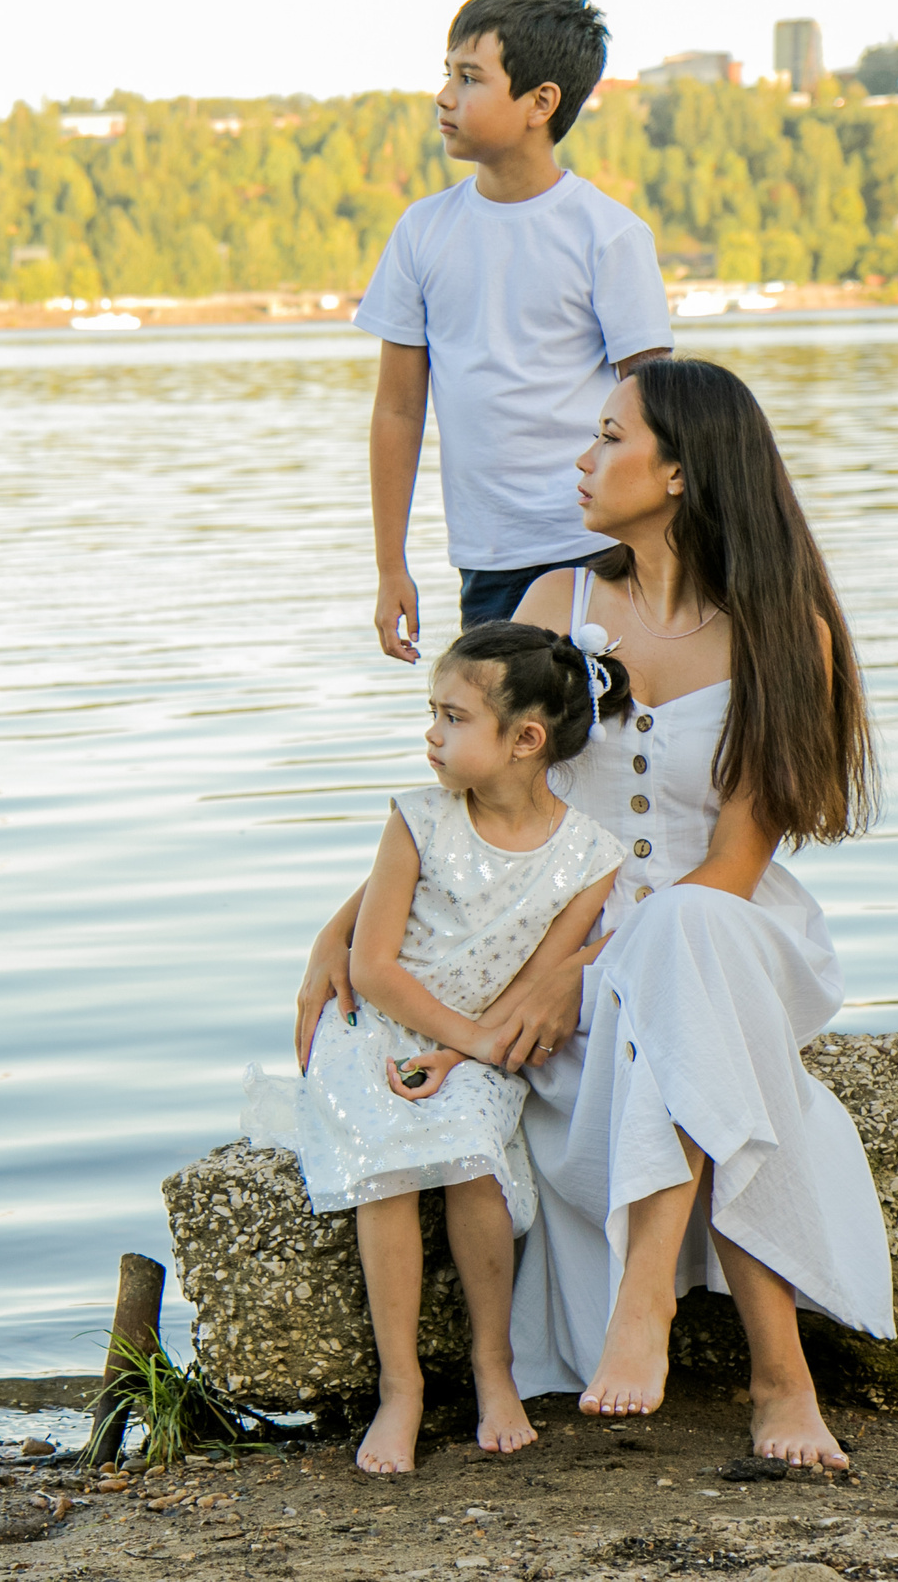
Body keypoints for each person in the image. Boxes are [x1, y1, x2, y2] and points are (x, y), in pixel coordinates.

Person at [296, 358, 892, 1471]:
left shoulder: (782, 631)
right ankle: (775, 1379)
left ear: (678, 471)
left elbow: (732, 862)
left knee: (682, 937)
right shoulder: (554, 606)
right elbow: (484, 799)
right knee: (680, 1008)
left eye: (607, 438)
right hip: (561, 947)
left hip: (728, 935)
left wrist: (583, 970)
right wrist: (343, 930)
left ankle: (656, 1303)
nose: (581, 460)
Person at [244, 621, 626, 1473]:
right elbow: (373, 969)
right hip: (379, 1028)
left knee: (469, 1157)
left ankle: (495, 1368)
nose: (430, 734)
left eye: (452, 717)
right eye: (432, 713)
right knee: (388, 1159)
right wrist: (464, 1038)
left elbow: (538, 981)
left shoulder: (589, 858)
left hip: (477, 1047)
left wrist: (469, 1053)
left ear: (526, 740)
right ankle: (402, 1385)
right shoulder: (416, 820)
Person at [352, 0, 674, 649]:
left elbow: (663, 412)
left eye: (470, 77)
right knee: (502, 748)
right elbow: (398, 410)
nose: (444, 96)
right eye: (446, 74)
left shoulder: (608, 235)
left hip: (601, 553)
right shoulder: (421, 233)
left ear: (541, 102)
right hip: (489, 559)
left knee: (601, 743)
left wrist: (669, 557)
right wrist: (391, 566)